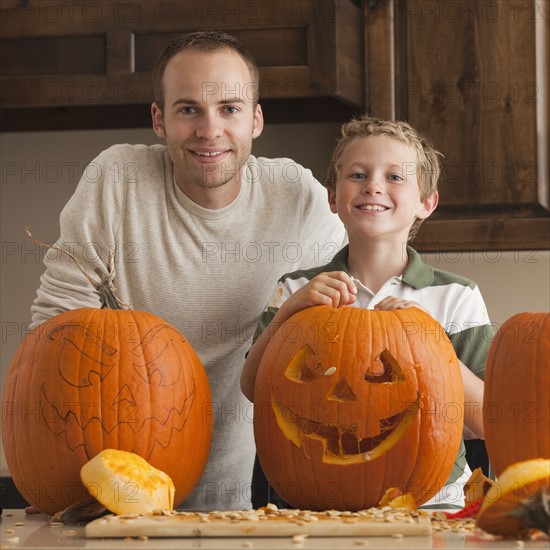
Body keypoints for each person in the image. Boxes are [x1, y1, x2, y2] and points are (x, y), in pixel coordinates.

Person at [29, 30, 346, 512]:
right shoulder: (116, 180)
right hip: (110, 490)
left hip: (240, 497)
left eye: (230, 109)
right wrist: (50, 468)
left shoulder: (295, 195)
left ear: (256, 119)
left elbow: (362, 286)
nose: (209, 129)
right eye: (188, 109)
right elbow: (55, 329)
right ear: (159, 119)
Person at [241, 114, 492, 509]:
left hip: (433, 506)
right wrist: (291, 311)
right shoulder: (296, 289)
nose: (373, 185)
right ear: (333, 197)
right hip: (313, 507)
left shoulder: (455, 296)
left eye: (394, 177)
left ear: (427, 203)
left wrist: (429, 345)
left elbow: (487, 421)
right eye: (357, 175)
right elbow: (253, 387)